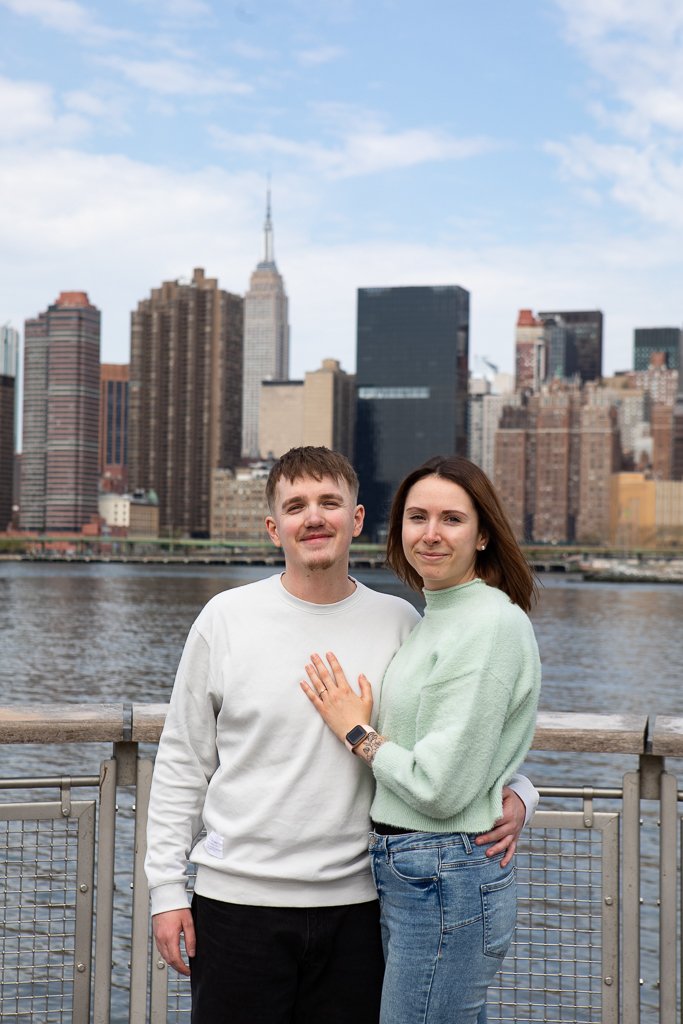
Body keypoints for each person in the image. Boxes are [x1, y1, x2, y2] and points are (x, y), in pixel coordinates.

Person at [145, 447, 538, 1024]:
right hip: (238, 904)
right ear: (273, 526)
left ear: (356, 520)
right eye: (296, 505)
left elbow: (466, 730)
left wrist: (521, 792)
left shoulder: (402, 622)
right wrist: (165, 890)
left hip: (364, 906)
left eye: (330, 502)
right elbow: (183, 759)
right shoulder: (225, 619)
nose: (314, 517)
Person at [301, 454, 541, 1024]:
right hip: (419, 868)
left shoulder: (488, 626)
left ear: (484, 534)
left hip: (444, 872)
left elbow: (441, 785)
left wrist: (357, 731)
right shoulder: (437, 618)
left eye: (451, 519)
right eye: (416, 517)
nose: (430, 534)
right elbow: (473, 742)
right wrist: (522, 791)